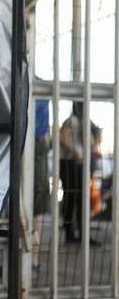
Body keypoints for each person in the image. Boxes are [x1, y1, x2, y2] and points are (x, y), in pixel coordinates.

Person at [59, 102, 101, 245]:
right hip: (70, 164)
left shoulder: (85, 122)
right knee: (72, 198)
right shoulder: (72, 121)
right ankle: (72, 233)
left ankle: (80, 233)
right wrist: (75, 151)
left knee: (80, 199)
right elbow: (63, 138)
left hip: (78, 164)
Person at [32, 100, 51, 272]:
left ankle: (30, 259)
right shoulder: (40, 87)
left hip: (30, 141)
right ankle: (32, 259)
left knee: (27, 205)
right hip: (37, 142)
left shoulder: (13, 77)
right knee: (36, 206)